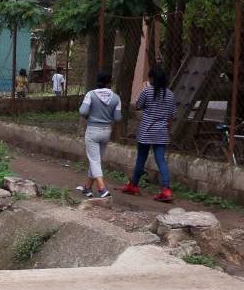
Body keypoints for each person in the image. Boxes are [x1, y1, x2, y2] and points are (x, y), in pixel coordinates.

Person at [121, 66, 178, 203]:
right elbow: (172, 115)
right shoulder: (170, 94)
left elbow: (138, 105)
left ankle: (133, 185)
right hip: (161, 132)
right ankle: (166, 189)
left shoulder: (147, 91)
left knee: (141, 158)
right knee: (161, 160)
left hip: (146, 130)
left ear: (152, 78)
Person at [75, 71, 121, 200]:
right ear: (109, 82)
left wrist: (90, 116)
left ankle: (102, 188)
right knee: (96, 160)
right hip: (106, 131)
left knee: (94, 160)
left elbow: (82, 111)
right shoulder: (116, 98)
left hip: (93, 130)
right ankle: (88, 188)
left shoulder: (91, 94)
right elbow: (117, 118)